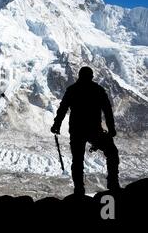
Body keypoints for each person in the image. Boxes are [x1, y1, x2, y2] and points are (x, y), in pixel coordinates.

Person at [51, 66, 120, 195]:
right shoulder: (98, 90)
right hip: (94, 131)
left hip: (77, 130)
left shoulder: (72, 90)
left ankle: (79, 189)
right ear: (92, 76)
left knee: (77, 160)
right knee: (112, 152)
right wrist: (111, 129)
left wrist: (56, 125)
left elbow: (63, 108)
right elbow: (108, 111)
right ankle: (113, 183)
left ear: (79, 76)